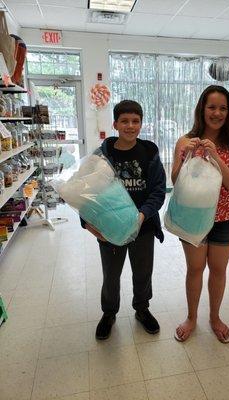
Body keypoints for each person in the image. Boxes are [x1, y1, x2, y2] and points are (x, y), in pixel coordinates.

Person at [81, 100, 166, 340]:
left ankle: (142, 309)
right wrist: (86, 222)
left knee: (142, 272)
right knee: (111, 274)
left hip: (143, 227)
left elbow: (159, 190)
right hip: (110, 229)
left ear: (141, 123)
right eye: (125, 121)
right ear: (115, 124)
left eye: (135, 121)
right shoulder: (102, 155)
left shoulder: (149, 152)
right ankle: (109, 313)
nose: (130, 126)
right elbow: (85, 191)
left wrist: (141, 216)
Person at [171, 85, 229, 343]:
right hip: (192, 216)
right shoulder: (185, 140)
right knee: (194, 268)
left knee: (218, 269)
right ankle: (192, 318)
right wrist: (186, 158)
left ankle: (215, 317)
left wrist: (215, 156)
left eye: (223, 108)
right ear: (202, 109)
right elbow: (175, 181)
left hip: (226, 217)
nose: (217, 113)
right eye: (212, 107)